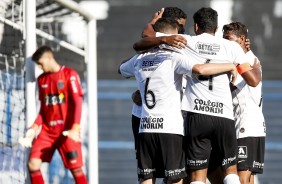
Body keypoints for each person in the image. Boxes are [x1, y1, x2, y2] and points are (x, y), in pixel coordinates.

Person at [133, 7, 262, 184]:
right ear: (216, 29)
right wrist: (245, 63)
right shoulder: (231, 47)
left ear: (195, 27)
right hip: (224, 116)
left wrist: (155, 23)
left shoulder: (185, 42)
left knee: (196, 176)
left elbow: (142, 43)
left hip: (196, 115)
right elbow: (253, 81)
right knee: (230, 172)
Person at [18, 46, 87, 184]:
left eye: (41, 63)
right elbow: (44, 110)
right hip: (48, 133)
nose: (40, 67)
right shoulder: (42, 79)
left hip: (67, 131)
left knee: (76, 169)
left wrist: (75, 127)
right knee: (33, 164)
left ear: (49, 58)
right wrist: (34, 128)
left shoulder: (70, 75)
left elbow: (77, 102)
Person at [208, 22, 265, 184]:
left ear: (241, 39)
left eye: (228, 39)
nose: (225, 42)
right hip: (240, 126)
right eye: (223, 38)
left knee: (241, 177)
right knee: (242, 177)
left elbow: (232, 85)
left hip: (245, 127)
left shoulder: (245, 60)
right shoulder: (241, 58)